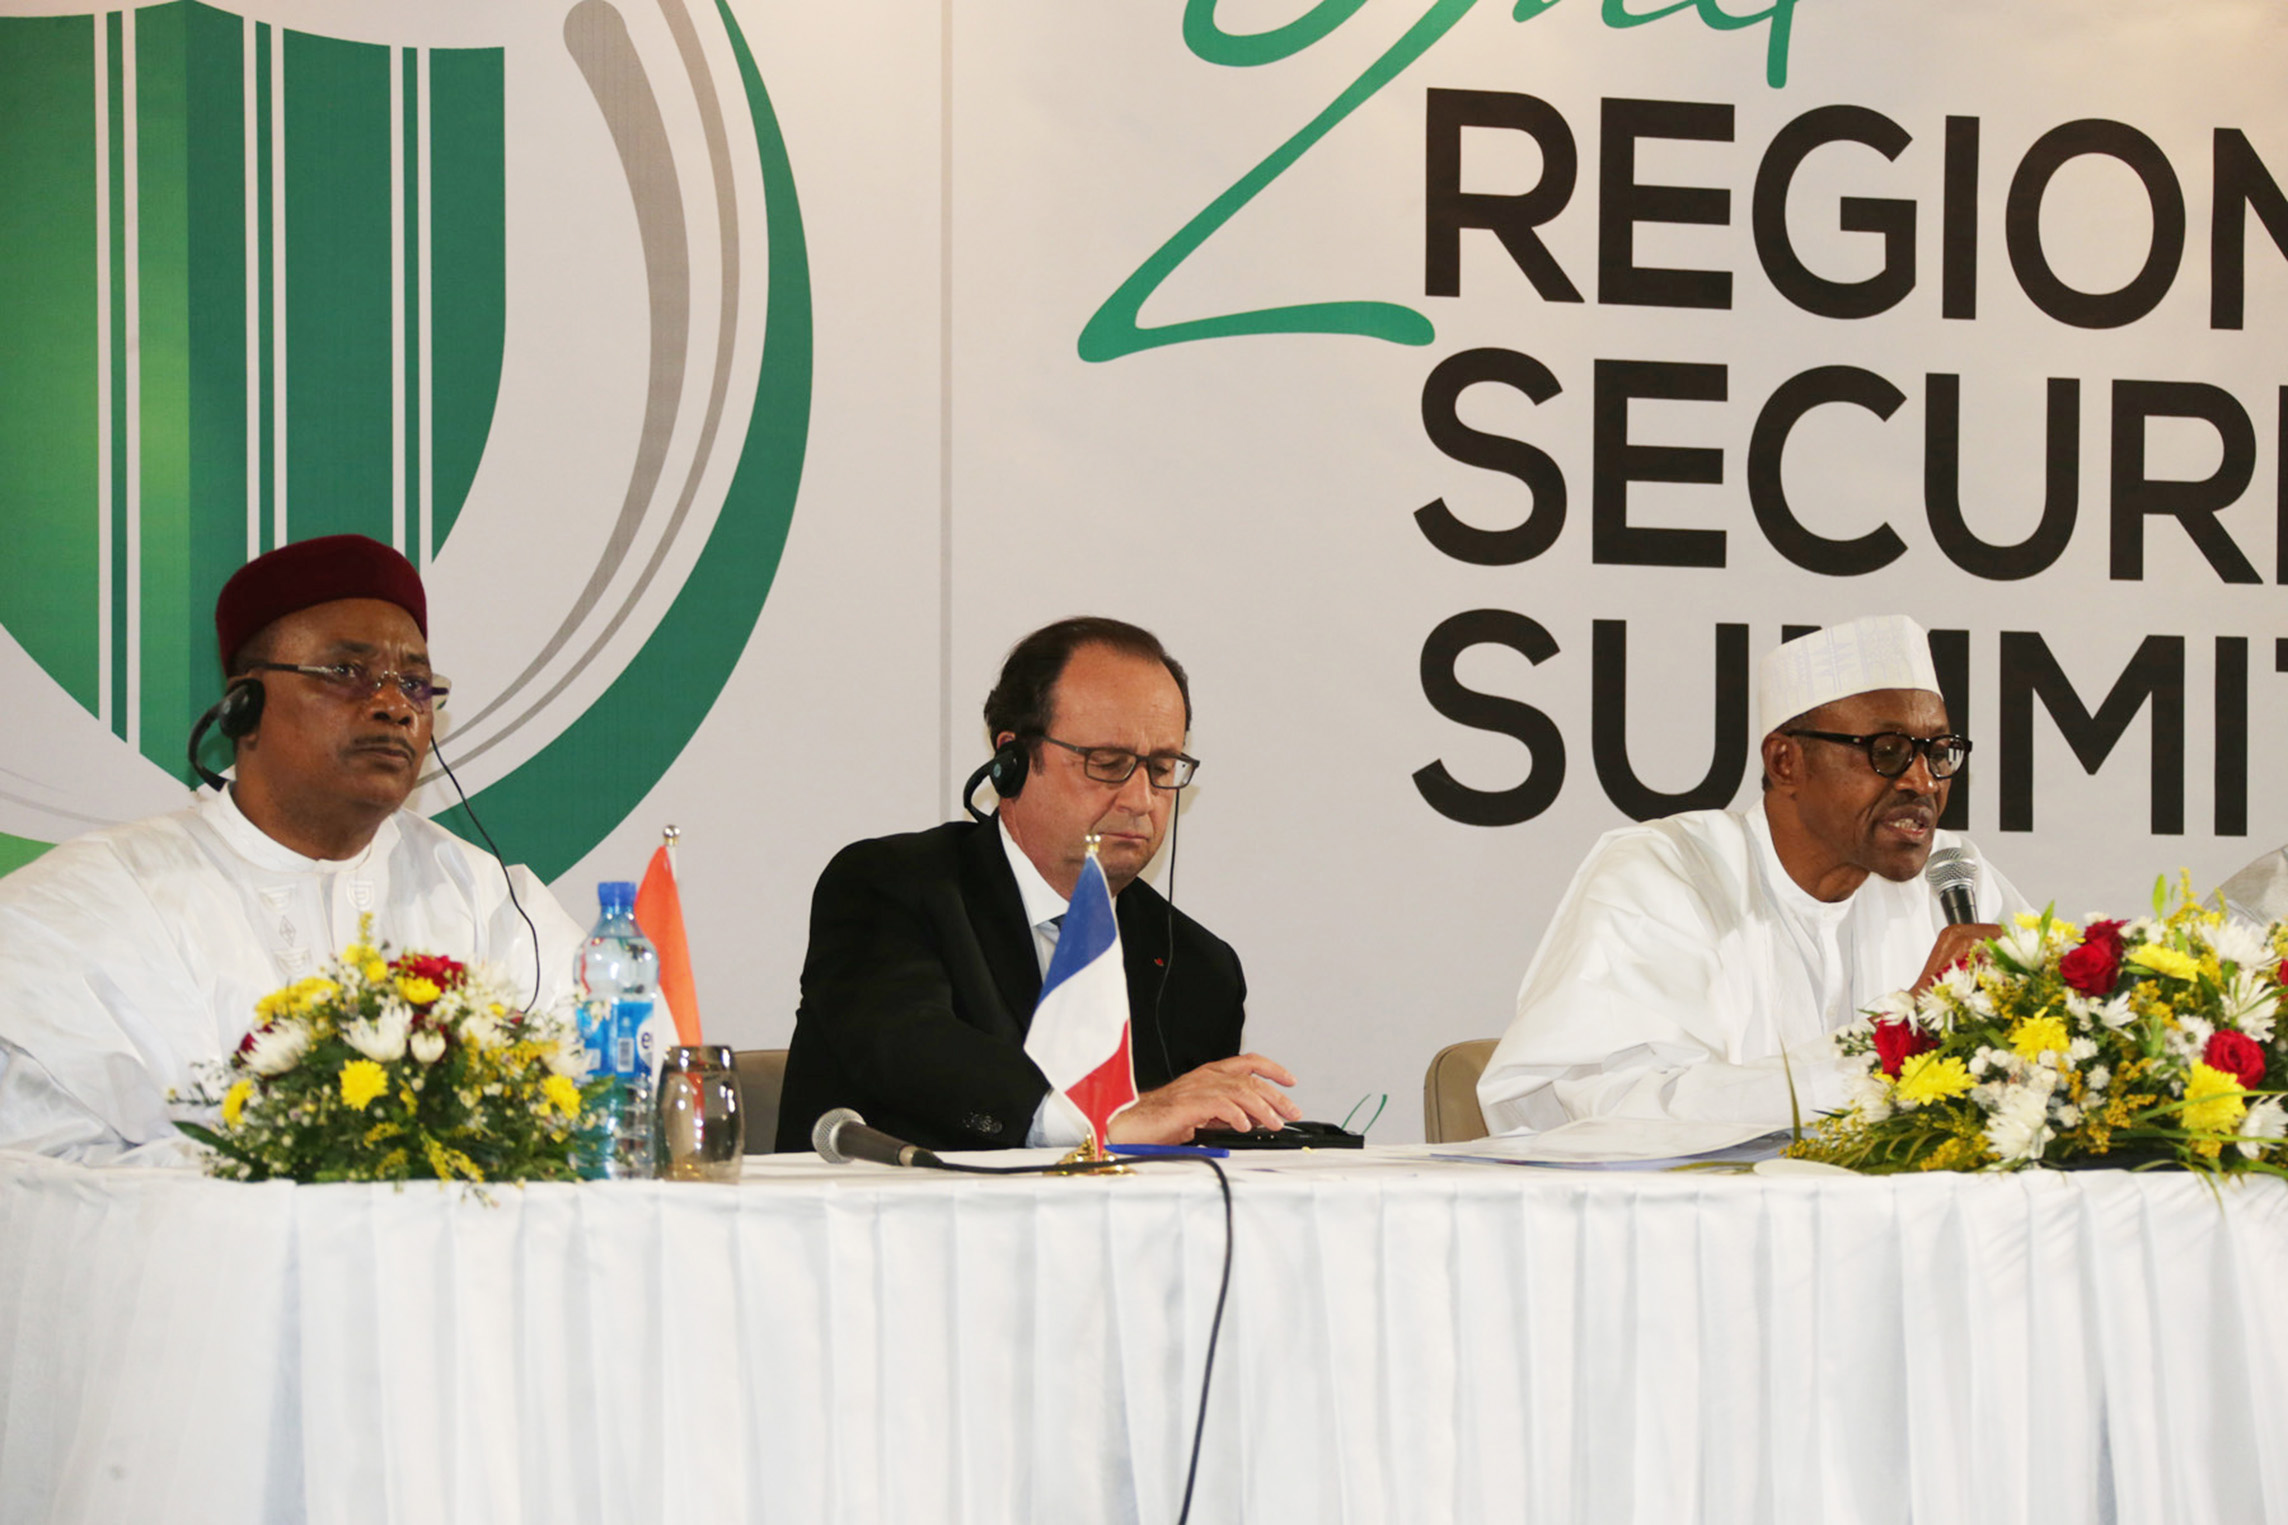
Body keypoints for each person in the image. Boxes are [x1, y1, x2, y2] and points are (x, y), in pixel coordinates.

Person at [0, 534, 584, 1162]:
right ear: (243, 706)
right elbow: (38, 1170)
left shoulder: (491, 905)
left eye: (415, 683)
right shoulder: (90, 905)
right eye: (346, 673)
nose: (394, 706)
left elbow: (612, 1111)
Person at [1478, 615, 2028, 1136]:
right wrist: (1896, 1040)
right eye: (1888, 752)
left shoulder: (1956, 876)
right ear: (1785, 762)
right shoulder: (1663, 875)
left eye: (1939, 753)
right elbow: (1623, 1113)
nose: (1924, 782)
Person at [777, 617, 1298, 1152]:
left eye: (1162, 768)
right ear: (1014, 763)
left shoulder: (1201, 967)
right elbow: (910, 1050)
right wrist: (1097, 1128)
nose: (1141, 800)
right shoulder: (889, 887)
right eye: (1108, 764)